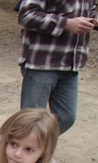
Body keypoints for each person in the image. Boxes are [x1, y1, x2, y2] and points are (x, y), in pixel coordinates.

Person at [18, 0, 97, 134]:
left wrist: (94, 20)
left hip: (71, 64)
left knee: (66, 117)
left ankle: (35, 147)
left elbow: (92, 9)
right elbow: (26, 15)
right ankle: (16, 149)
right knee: (30, 121)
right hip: (42, 63)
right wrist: (66, 24)